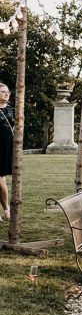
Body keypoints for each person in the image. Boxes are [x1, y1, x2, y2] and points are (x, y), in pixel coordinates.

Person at [0, 83, 13, 220]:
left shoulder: (11, 109)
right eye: (3, 91)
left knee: (1, 178)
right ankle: (6, 210)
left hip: (6, 147)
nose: (7, 93)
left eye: (8, 92)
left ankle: (6, 209)